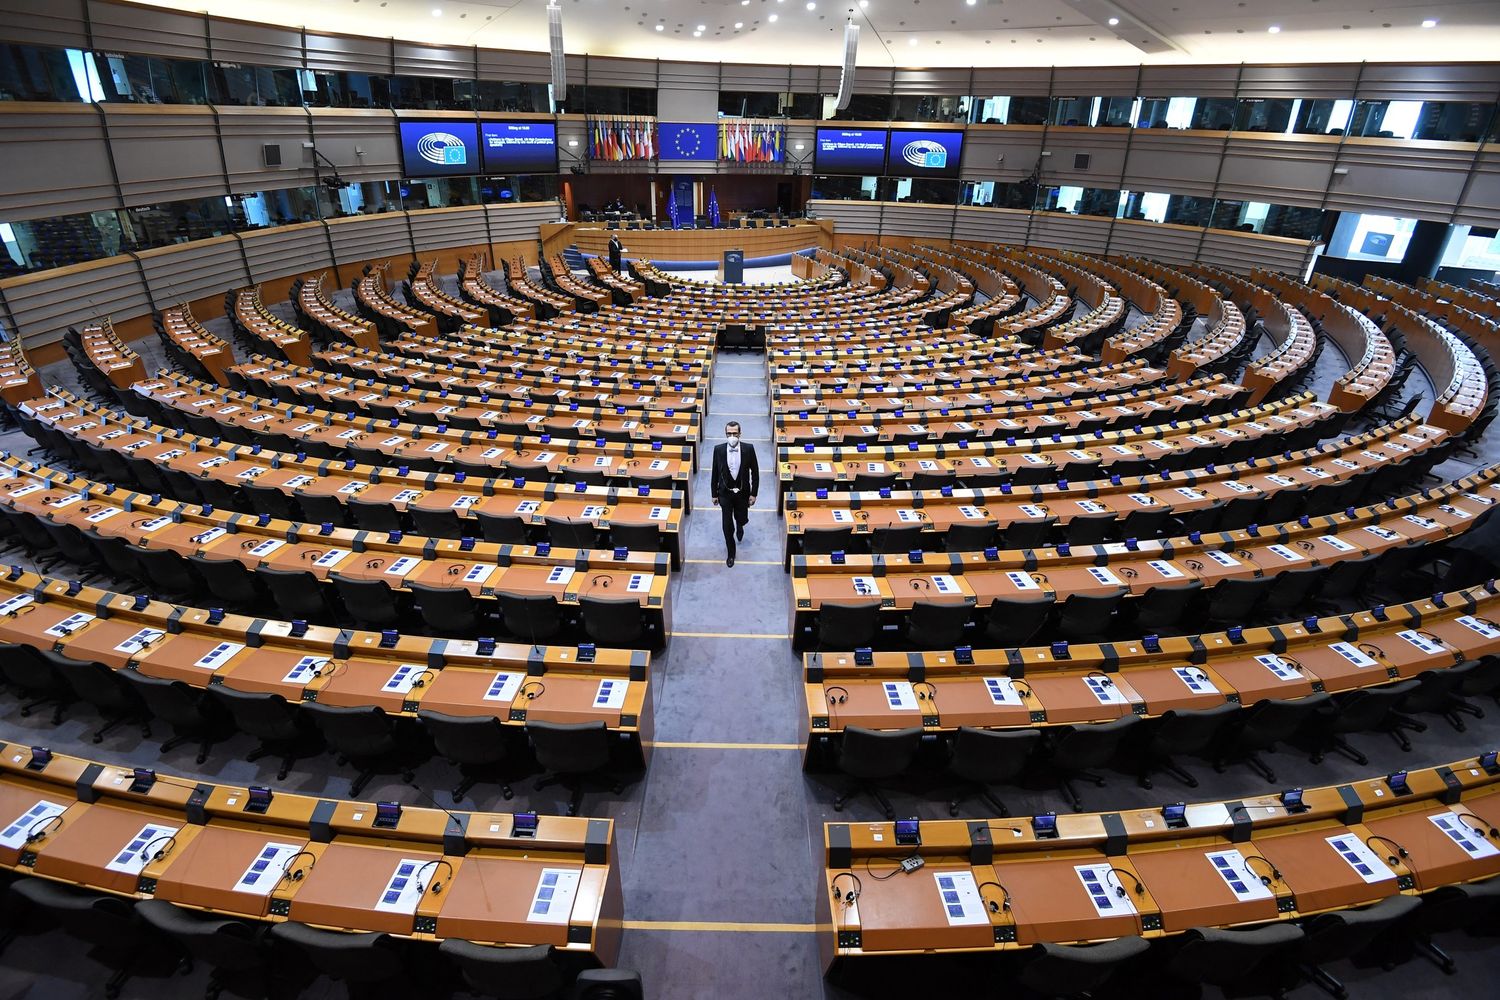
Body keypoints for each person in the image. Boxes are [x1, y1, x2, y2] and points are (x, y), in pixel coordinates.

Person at [710, 421, 759, 568]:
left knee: (741, 518)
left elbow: (755, 473)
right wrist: (714, 494)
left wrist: (754, 494)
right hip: (724, 494)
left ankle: (740, 525)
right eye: (729, 434)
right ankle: (731, 553)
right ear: (725, 434)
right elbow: (715, 473)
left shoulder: (748, 449)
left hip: (743, 494)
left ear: (740, 434)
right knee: (726, 526)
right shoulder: (718, 450)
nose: (732, 436)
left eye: (734, 433)